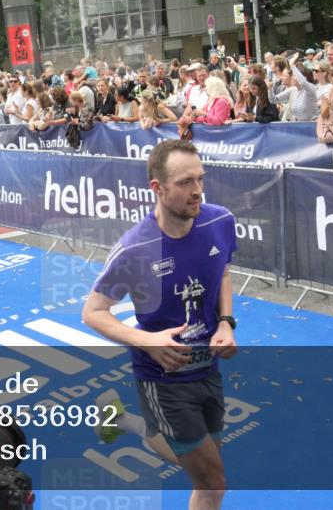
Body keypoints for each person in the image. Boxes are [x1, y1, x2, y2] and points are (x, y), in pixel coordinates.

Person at [82, 140, 237, 510]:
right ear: (158, 188)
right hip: (163, 378)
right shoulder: (135, 248)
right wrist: (146, 341)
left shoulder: (220, 221)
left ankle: (124, 423)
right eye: (185, 183)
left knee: (203, 462)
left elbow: (224, 272)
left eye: (200, 179)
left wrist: (227, 323)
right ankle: (129, 422)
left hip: (208, 369)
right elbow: (93, 312)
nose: (197, 191)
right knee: (212, 480)